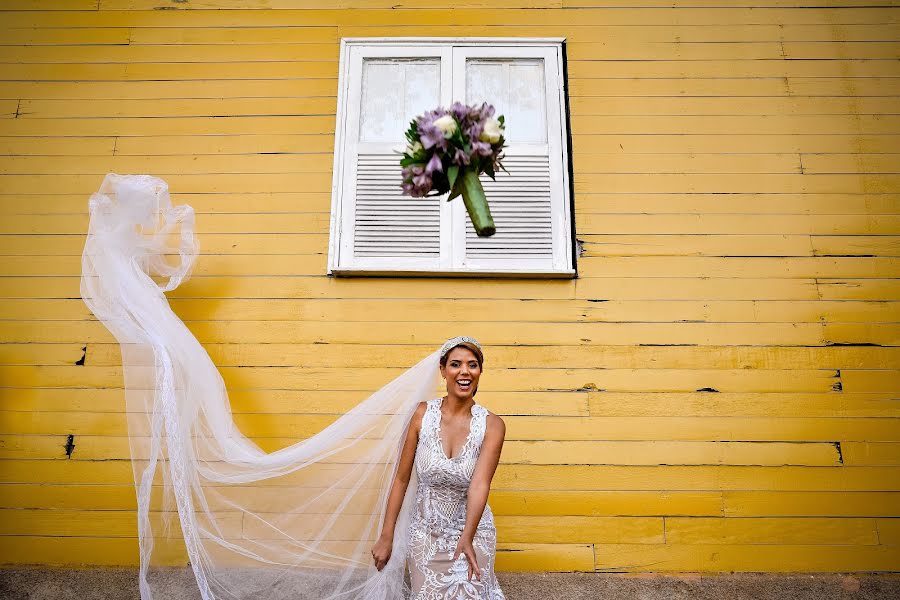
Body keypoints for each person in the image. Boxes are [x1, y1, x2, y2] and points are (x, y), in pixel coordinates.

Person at [371, 336, 507, 599]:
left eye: (473, 365)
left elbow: (480, 484)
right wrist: (386, 536)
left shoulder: (492, 425)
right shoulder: (421, 415)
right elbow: (400, 479)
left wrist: (467, 538)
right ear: (443, 371)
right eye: (456, 364)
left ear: (480, 372)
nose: (465, 371)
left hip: (473, 531)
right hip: (425, 535)